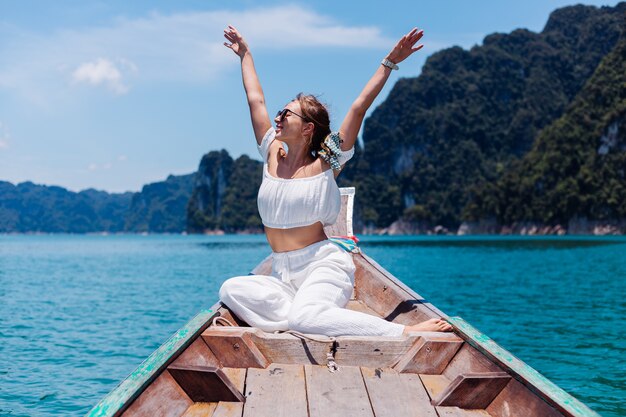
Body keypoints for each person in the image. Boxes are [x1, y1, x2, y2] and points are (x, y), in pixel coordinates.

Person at [219, 25, 452, 336]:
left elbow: (358, 107)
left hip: (322, 267)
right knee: (230, 289)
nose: (277, 117)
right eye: (280, 112)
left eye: (286, 114)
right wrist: (245, 55)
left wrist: (390, 61)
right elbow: (255, 100)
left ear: (307, 129)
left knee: (303, 319)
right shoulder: (272, 153)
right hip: (282, 275)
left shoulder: (326, 162)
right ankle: (311, 315)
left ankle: (403, 332)